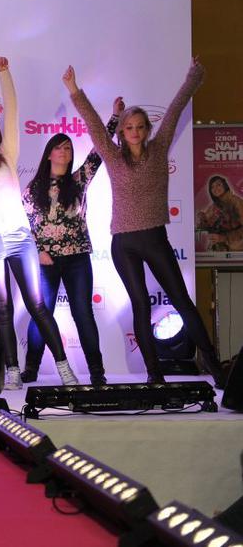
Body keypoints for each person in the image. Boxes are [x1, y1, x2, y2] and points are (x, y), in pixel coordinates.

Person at [63, 60, 226, 387]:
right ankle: (154, 374)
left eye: (139, 126)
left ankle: (215, 368)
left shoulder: (159, 147)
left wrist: (193, 76)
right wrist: (74, 90)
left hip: (154, 238)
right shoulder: (113, 156)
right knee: (140, 306)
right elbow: (94, 125)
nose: (135, 131)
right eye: (129, 127)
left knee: (181, 300)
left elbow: (176, 109)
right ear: (122, 132)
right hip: (124, 244)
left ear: (147, 130)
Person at [0, 55, 79, 390]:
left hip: (20, 238)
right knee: (3, 308)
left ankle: (64, 368)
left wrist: (4, 72)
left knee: (38, 305)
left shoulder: (8, 155)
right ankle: (11, 370)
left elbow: (12, 109)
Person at [20, 98, 122, 386]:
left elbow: (99, 150)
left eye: (68, 148)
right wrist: (39, 251)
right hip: (46, 261)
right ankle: (31, 368)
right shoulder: (33, 189)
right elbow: (26, 226)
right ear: (48, 154)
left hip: (77, 258)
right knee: (41, 314)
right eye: (58, 147)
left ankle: (96, 371)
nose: (64, 151)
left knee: (83, 313)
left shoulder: (79, 180)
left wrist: (114, 118)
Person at [196, 175, 243, 251]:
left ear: (225, 186)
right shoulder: (214, 206)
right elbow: (205, 225)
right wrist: (202, 218)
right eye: (212, 187)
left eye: (218, 185)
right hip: (220, 249)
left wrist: (224, 238)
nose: (215, 188)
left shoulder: (236, 202)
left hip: (237, 249)